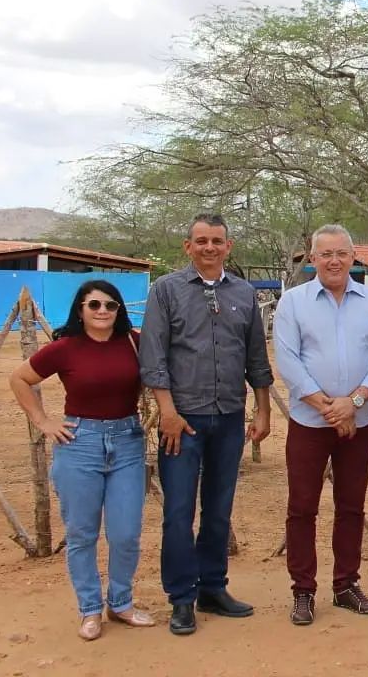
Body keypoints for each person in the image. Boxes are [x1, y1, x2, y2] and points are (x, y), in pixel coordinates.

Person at [138, 213, 274, 636]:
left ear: (228, 246)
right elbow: (153, 356)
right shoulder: (166, 291)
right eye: (201, 241)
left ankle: (212, 587)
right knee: (179, 513)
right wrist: (168, 412)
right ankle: (181, 598)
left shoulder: (244, 294)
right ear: (188, 246)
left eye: (217, 240)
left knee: (218, 510)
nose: (209, 247)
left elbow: (256, 357)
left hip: (230, 417)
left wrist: (263, 409)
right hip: (183, 420)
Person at [8, 280, 155, 640]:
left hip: (127, 442)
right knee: (82, 534)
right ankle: (90, 609)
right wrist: (43, 422)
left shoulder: (135, 343)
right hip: (80, 444)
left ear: (119, 310)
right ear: (80, 310)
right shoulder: (65, 348)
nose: (103, 311)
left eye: (111, 305)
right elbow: (19, 378)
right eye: (94, 305)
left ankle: (120, 603)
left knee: (125, 534)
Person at [274, 225, 368, 626]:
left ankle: (346, 585)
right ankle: (303, 590)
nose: (333, 261)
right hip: (309, 421)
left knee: (351, 506)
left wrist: (354, 402)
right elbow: (288, 358)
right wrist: (327, 406)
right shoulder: (293, 302)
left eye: (341, 253)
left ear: (353, 256)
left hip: (359, 421)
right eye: (324, 254)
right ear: (312, 259)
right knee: (302, 508)